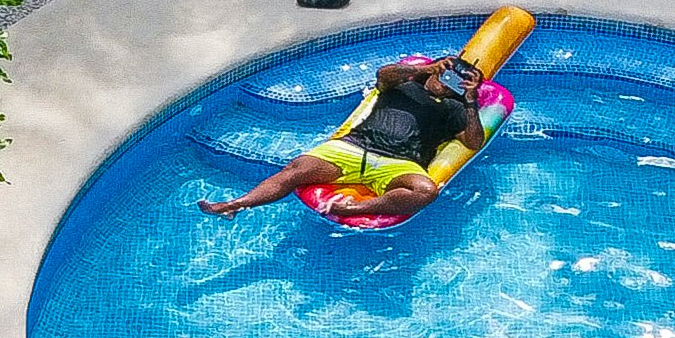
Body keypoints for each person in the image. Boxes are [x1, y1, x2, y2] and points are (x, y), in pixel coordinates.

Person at [204, 52, 486, 222]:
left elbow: (473, 141)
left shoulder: (455, 108)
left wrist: (471, 100)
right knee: (296, 170)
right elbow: (383, 74)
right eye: (447, 72)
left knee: (426, 191)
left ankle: (353, 209)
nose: (447, 79)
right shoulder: (403, 84)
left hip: (401, 163)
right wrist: (426, 69)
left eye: (456, 81)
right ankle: (235, 205)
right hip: (353, 148)